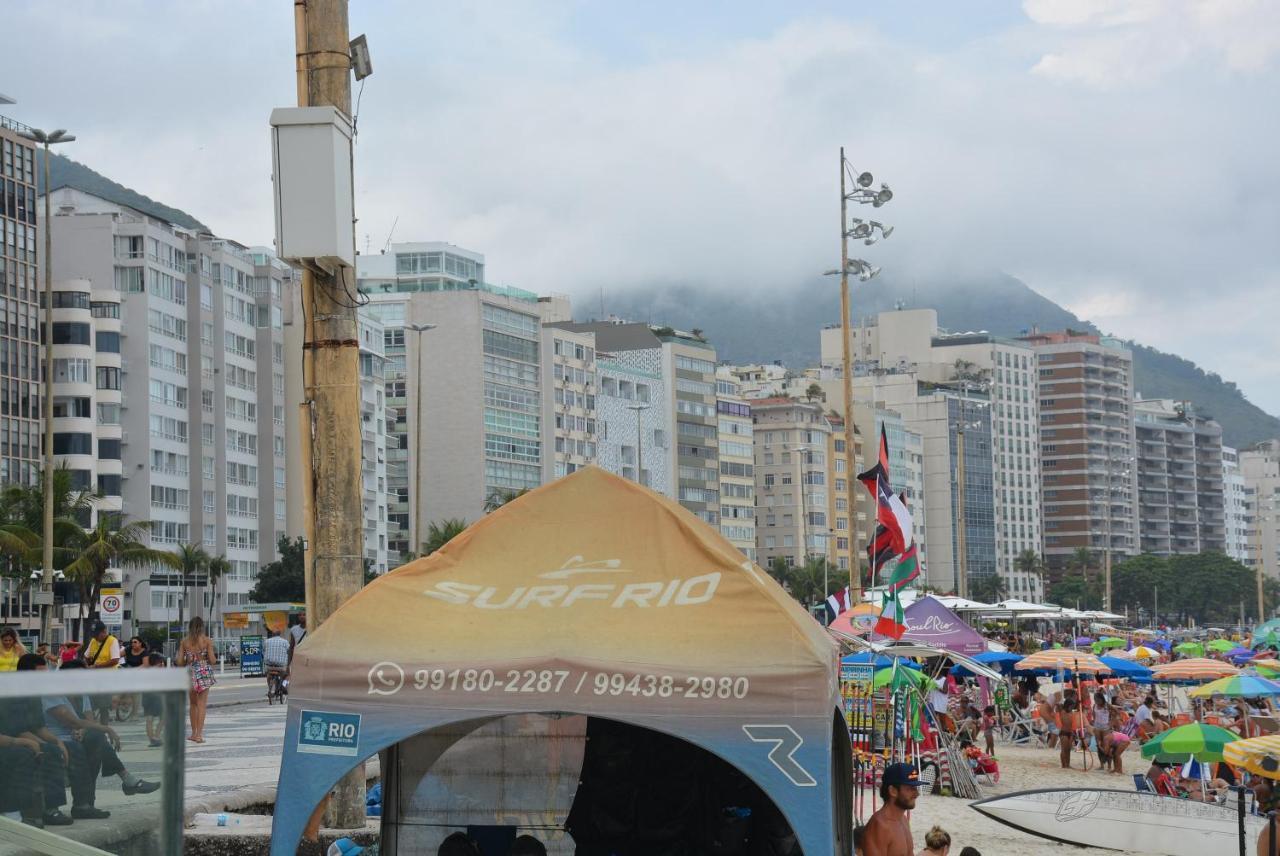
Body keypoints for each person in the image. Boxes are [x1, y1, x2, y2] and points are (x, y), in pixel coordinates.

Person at [42, 660, 159, 819]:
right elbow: (69, 720)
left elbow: (88, 719)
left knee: (96, 740)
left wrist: (84, 730)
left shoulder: (82, 693)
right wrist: (107, 729)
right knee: (95, 739)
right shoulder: (52, 693)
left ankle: (85, 805)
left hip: (76, 736)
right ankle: (125, 780)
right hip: (57, 738)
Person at [5, 653, 72, 827]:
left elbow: (38, 727)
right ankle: (25, 811)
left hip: (20, 737)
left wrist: (57, 741)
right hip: (8, 740)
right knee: (35, 753)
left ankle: (54, 808)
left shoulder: (33, 693)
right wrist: (37, 743)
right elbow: (17, 729)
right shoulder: (10, 692)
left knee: (56, 749)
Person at [861, 762, 920, 856]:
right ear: (893, 791)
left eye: (916, 788)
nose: (917, 794)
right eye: (910, 789)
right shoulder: (880, 826)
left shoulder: (903, 820)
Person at [176, 617, 216, 743]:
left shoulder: (184, 642)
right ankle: (199, 735)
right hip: (203, 670)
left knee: (193, 704)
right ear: (202, 627)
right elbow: (213, 660)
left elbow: (179, 662)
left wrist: (189, 659)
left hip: (190, 672)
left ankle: (193, 734)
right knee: (202, 704)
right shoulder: (207, 641)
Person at [143, 652, 166, 747]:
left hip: (146, 697)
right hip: (156, 697)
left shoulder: (147, 671)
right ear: (158, 662)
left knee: (149, 719)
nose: (162, 663)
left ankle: (152, 738)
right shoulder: (159, 671)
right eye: (161, 662)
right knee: (163, 716)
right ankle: (156, 736)